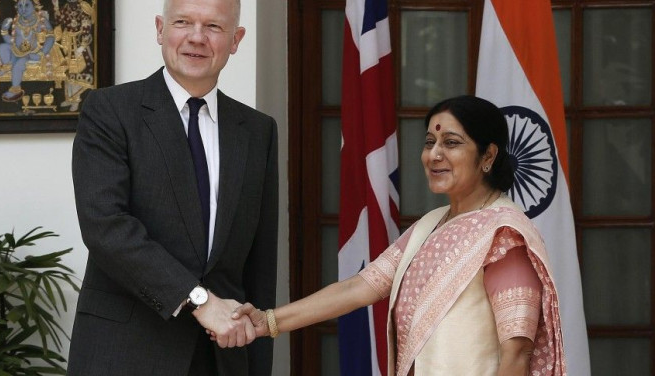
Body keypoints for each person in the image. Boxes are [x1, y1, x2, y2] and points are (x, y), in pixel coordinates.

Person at [230, 95, 566, 376]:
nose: (434, 154)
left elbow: (517, 351)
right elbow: (358, 287)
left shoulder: (503, 233)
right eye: (430, 142)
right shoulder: (430, 225)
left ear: (488, 156)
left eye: (451, 143)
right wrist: (268, 321)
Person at [67, 0, 279, 376]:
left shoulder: (258, 131)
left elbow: (259, 263)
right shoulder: (110, 111)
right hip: (126, 355)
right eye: (183, 22)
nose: (197, 37)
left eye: (214, 26)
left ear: (235, 40)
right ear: (161, 30)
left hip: (222, 357)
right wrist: (199, 301)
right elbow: (105, 226)